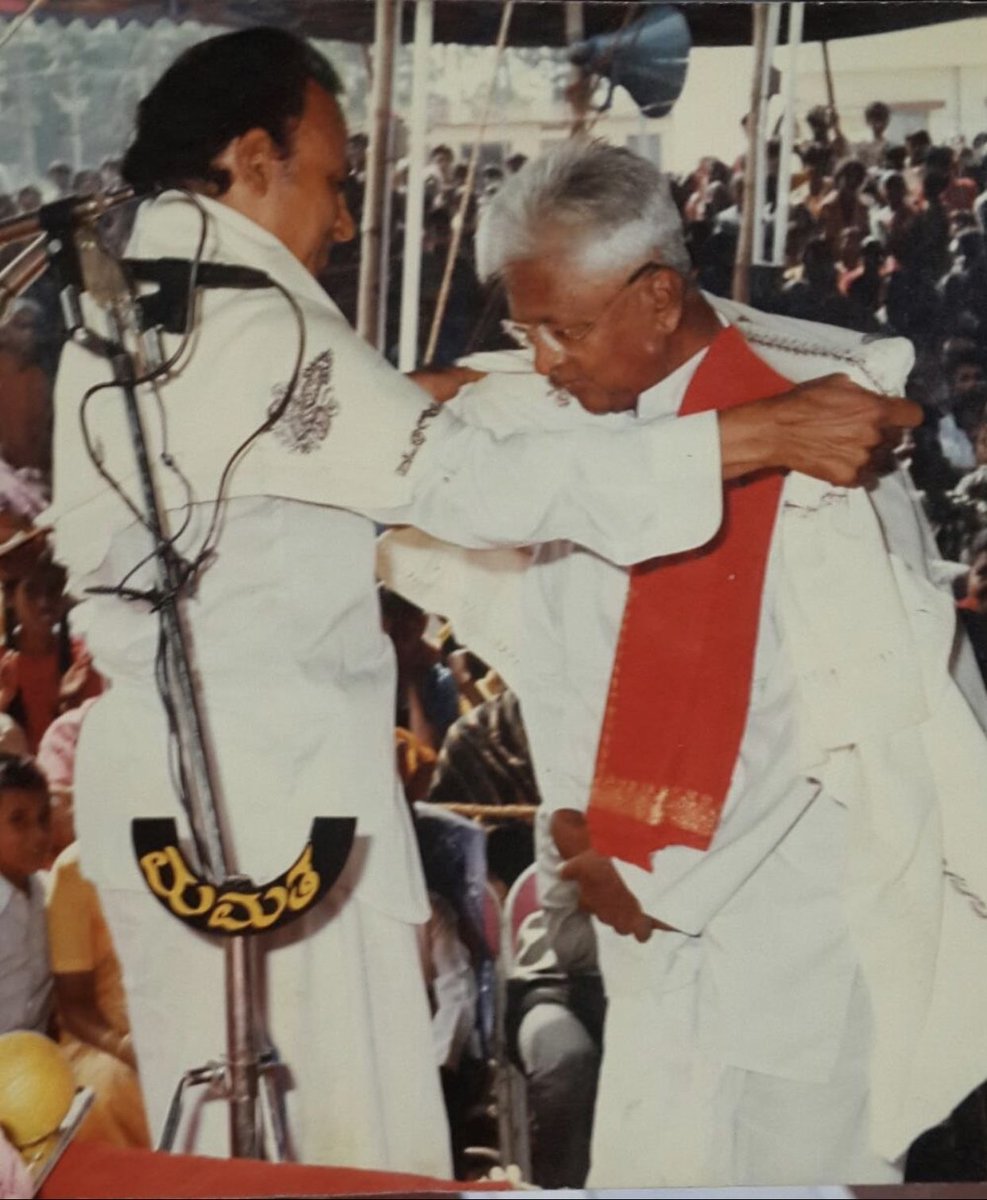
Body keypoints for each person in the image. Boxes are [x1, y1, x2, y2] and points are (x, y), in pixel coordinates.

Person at [45, 29, 917, 1175]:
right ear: (256, 159)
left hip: (171, 790)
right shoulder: (259, 318)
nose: (346, 219)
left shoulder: (134, 298)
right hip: (268, 798)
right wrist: (758, 431)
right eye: (336, 177)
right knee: (347, 1150)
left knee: (226, 1143)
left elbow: (299, 452)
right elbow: (469, 488)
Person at [388, 138, 987, 1187]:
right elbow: (570, 659)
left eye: (561, 330)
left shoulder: (822, 447)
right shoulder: (599, 432)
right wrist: (575, 824)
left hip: (788, 925)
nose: (542, 361)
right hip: (644, 919)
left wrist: (660, 877)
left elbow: (837, 710)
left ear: (660, 300)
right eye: (527, 329)